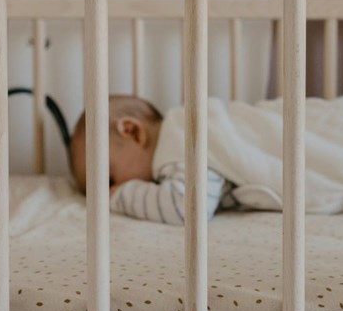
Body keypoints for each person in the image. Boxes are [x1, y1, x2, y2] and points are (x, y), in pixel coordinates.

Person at [70, 95, 234, 225]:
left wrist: (120, 196)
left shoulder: (176, 140)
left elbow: (191, 208)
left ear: (132, 132)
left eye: (109, 180)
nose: (108, 191)